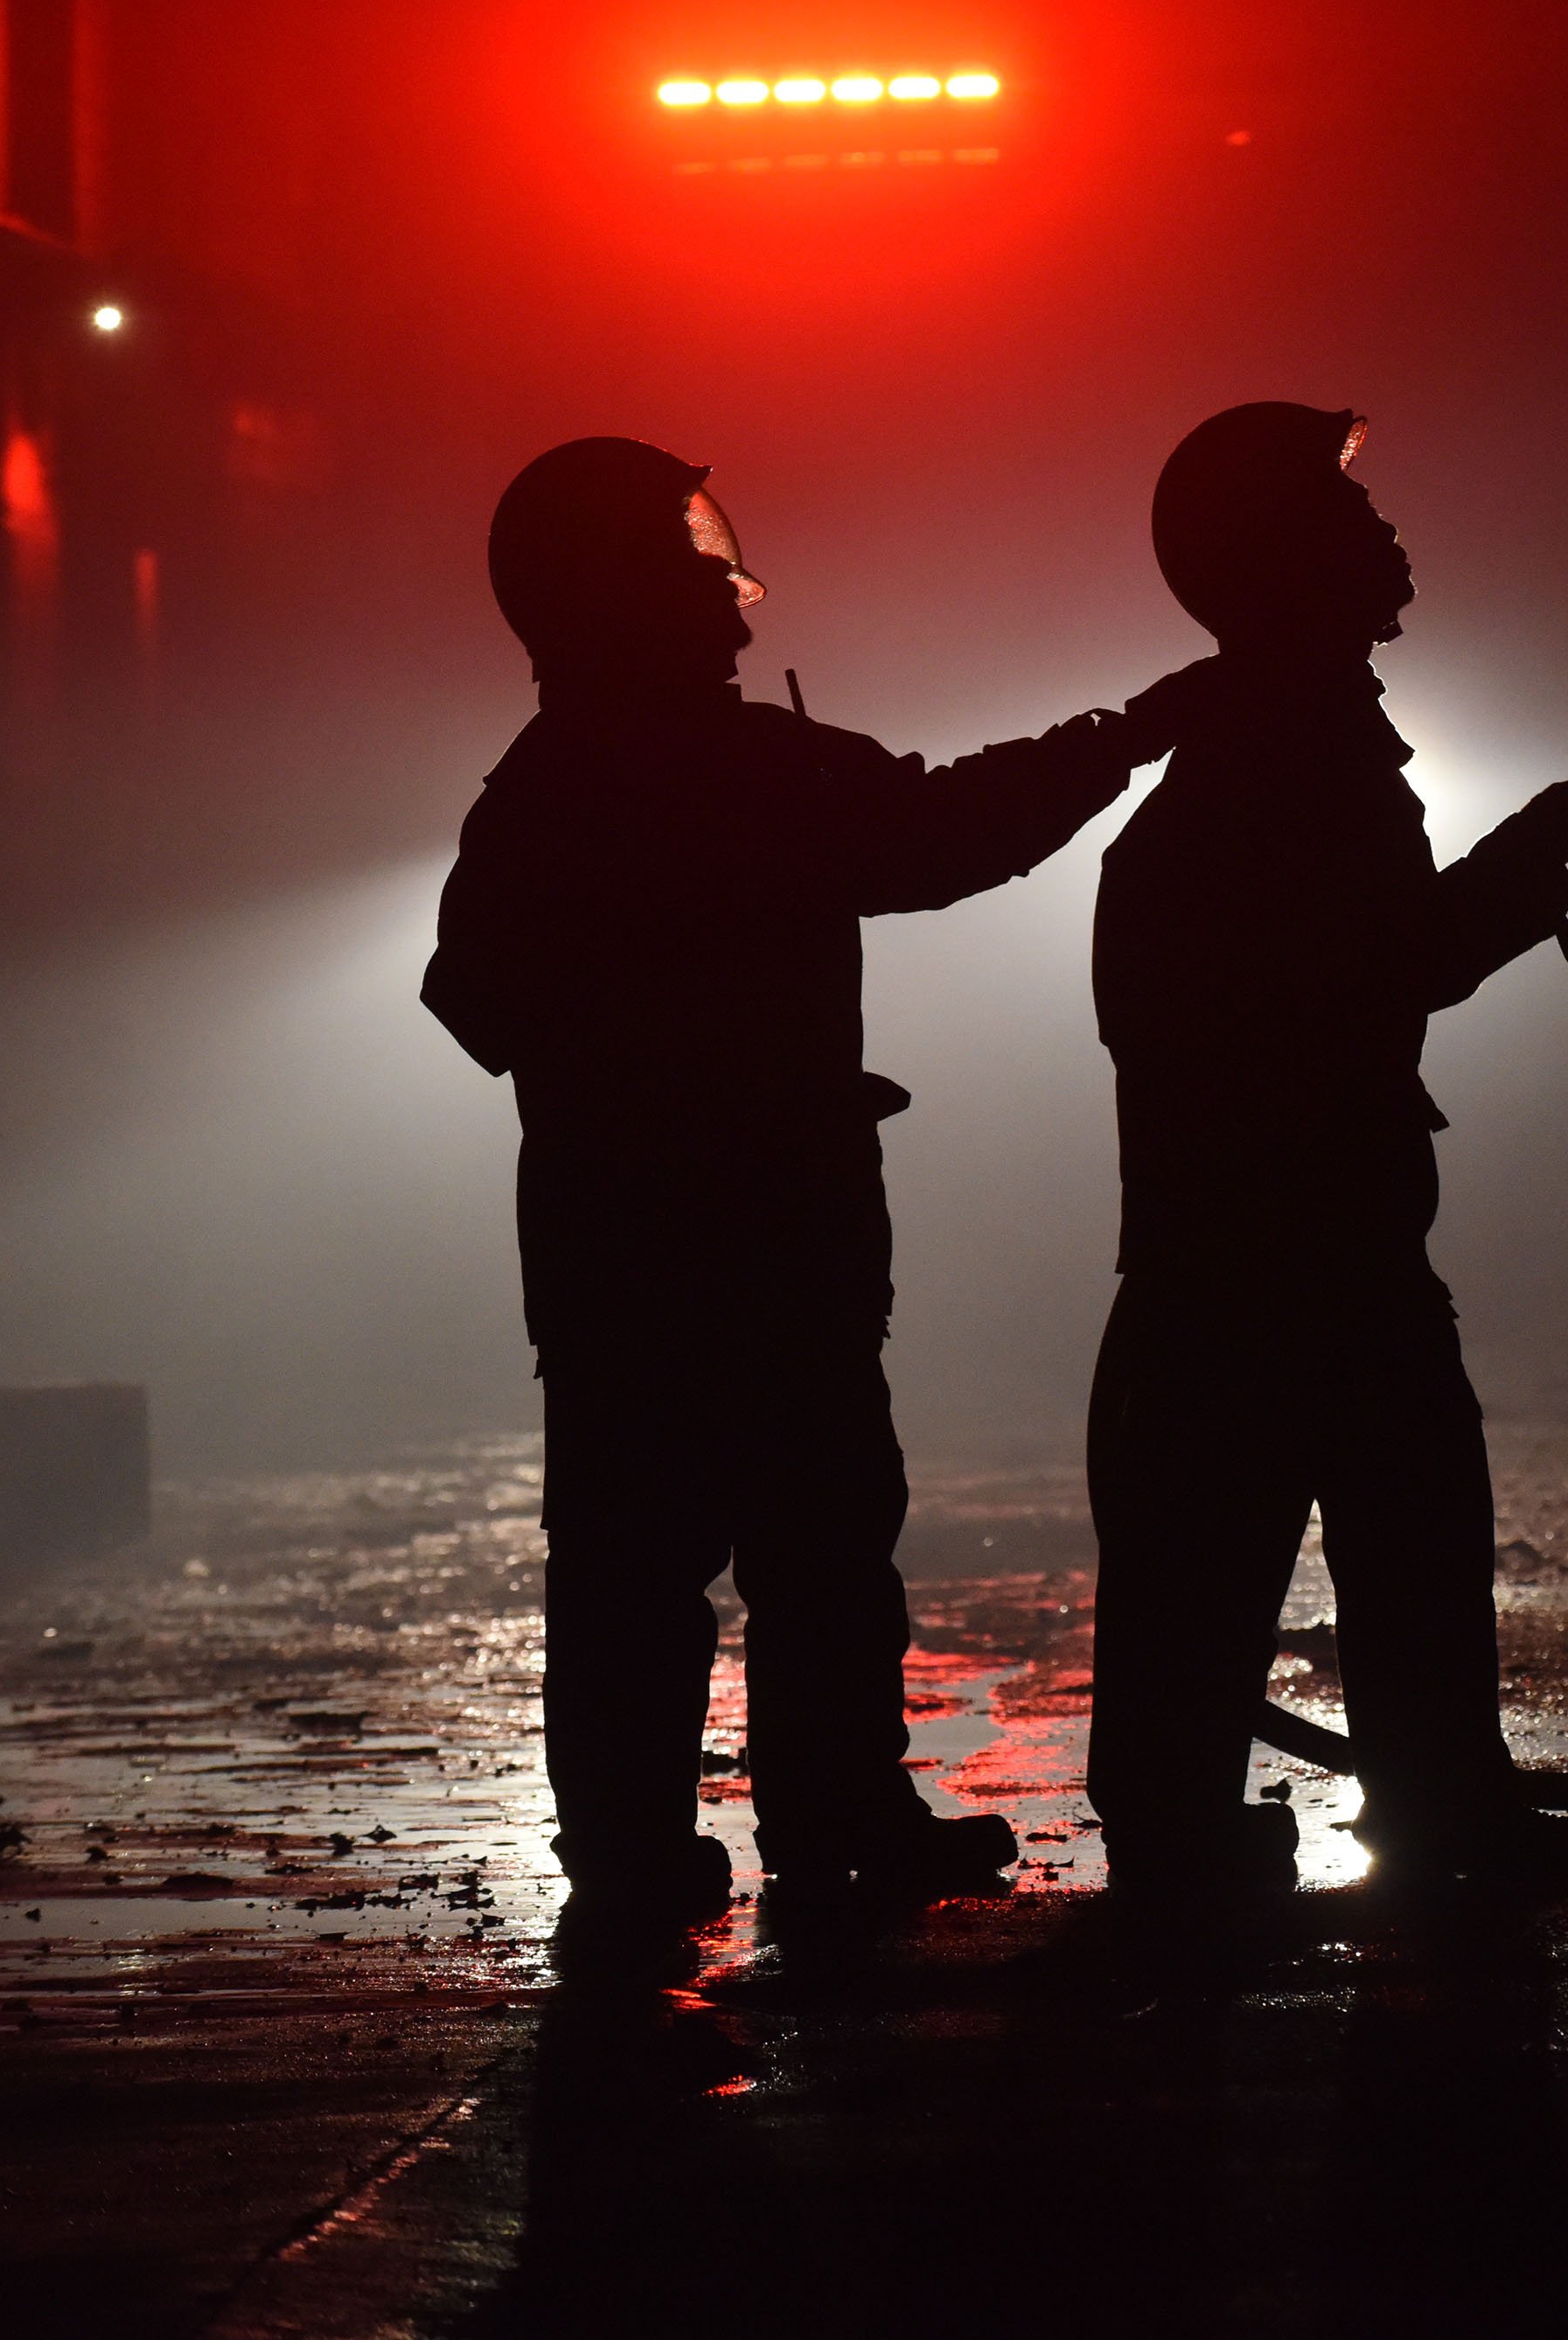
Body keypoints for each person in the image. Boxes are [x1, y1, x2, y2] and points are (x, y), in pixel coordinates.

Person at [423, 437, 1207, 1937]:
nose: (734, 598)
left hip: (614, 1252)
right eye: (694, 565)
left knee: (637, 1563)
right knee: (815, 1541)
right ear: (626, 592)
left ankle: (639, 1853)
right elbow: (943, 830)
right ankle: (837, 1817)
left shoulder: (541, 789)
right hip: (773, 1236)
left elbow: (471, 1001)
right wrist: (1128, 733)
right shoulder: (736, 775)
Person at [1083, 402, 1568, 1903]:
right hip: (1293, 1242)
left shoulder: (1280, 734)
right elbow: (1394, 959)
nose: (1388, 535)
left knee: (1256, 1549)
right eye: (1348, 518)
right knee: (1354, 1535)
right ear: (1285, 559)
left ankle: (1263, 1829)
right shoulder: (1291, 752)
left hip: (1257, 1239)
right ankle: (1379, 1826)